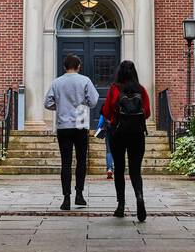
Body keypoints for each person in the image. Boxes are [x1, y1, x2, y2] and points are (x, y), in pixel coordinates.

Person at [44, 54, 99, 210]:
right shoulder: (85, 81)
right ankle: (79, 195)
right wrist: (84, 103)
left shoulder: (57, 82)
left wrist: (60, 106)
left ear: (64, 66)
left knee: (66, 162)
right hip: (80, 122)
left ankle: (66, 198)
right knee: (81, 160)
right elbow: (94, 101)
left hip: (63, 125)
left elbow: (47, 103)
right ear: (79, 66)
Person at [102, 59, 151, 221]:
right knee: (135, 170)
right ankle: (139, 197)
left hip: (118, 134)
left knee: (119, 170)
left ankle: (121, 205)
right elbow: (148, 113)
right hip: (137, 134)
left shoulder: (114, 89)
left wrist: (113, 119)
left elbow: (107, 111)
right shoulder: (141, 90)